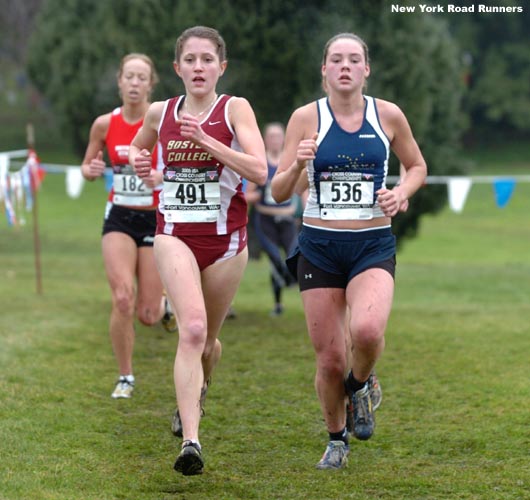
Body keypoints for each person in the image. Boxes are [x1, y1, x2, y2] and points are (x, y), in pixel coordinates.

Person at [271, 32, 427, 470]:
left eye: (353, 59)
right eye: (336, 59)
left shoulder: (388, 115)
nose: (344, 66)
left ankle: (360, 384)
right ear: (324, 70)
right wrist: (300, 164)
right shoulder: (306, 117)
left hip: (371, 245)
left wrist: (402, 191)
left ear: (366, 69)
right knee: (329, 357)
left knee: (368, 331)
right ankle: (336, 440)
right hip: (318, 247)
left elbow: (416, 166)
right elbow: (279, 191)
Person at [129, 26, 267, 476]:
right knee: (190, 329)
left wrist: (206, 141)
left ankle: (200, 388)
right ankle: (191, 440)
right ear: (177, 68)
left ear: (221, 67)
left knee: (208, 341)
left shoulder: (234, 109)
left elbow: (260, 170)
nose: (199, 67)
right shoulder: (159, 112)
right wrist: (140, 162)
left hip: (227, 242)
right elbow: (139, 149)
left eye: (207, 59)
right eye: (190, 60)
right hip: (174, 235)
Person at [81, 53, 177, 400]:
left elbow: (182, 166)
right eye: (129, 77)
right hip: (119, 216)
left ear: (151, 84)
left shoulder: (164, 120)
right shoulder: (104, 124)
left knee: (148, 315)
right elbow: (88, 165)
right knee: (122, 298)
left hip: (154, 217)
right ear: (119, 81)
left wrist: (160, 177)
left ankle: (164, 306)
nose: (135, 84)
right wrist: (89, 171)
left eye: (142, 78)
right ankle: (125, 376)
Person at [245, 122, 297, 316]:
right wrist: (258, 194)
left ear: (283, 139)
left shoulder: (291, 161)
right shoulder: (260, 164)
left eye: (278, 136)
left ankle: (291, 280)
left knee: (292, 257)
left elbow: (302, 188)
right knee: (276, 259)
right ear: (265, 140)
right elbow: (246, 194)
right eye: (271, 136)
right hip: (265, 219)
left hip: (287, 219)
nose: (275, 140)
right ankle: (278, 304)